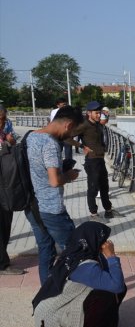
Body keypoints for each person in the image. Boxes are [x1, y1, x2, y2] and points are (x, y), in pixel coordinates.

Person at [32, 221, 126, 327]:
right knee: (107, 294)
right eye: (103, 239)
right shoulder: (86, 266)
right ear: (93, 240)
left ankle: (94, 325)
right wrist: (111, 256)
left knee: (105, 289)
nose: (107, 243)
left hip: (51, 310)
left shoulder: (78, 252)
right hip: (53, 319)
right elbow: (117, 285)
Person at [25, 105, 84, 284]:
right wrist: (69, 175)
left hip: (32, 206)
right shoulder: (50, 143)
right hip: (51, 208)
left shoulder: (31, 136)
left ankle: (47, 294)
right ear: (68, 125)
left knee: (45, 250)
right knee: (75, 250)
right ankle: (77, 292)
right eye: (73, 131)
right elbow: (54, 181)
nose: (72, 136)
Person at [68, 101, 114, 219]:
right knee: (93, 188)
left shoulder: (98, 124)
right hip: (91, 161)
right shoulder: (84, 125)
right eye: (97, 113)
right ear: (89, 113)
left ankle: (108, 209)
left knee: (104, 186)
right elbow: (66, 138)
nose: (99, 115)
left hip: (100, 160)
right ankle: (94, 213)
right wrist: (82, 146)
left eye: (100, 113)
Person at [0, 106, 24, 275]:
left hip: (5, 189)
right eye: (1, 119)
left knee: (5, 225)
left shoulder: (3, 135)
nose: (3, 122)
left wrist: (11, 143)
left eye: (4, 118)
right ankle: (2, 264)